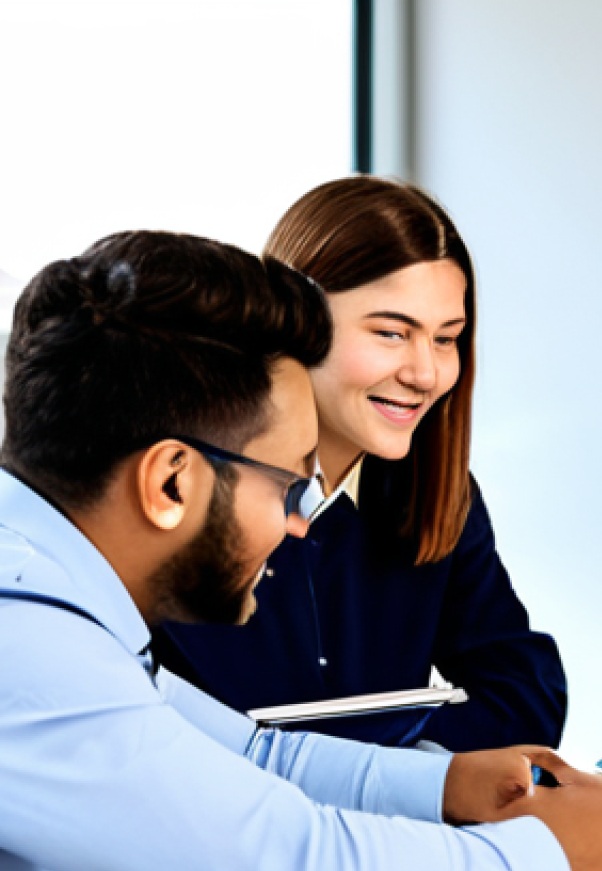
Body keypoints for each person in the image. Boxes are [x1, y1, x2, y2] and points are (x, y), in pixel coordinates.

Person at [0, 231, 602, 871]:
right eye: (289, 488)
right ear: (171, 482)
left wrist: (446, 787)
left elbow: (252, 754)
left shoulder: (51, 596)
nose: (299, 526)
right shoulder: (24, 640)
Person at [159, 178, 567, 751]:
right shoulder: (173, 492)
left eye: (446, 339)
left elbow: (524, 698)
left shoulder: (435, 490)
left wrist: (374, 768)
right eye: (392, 333)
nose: (425, 374)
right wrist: (396, 757)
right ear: (294, 319)